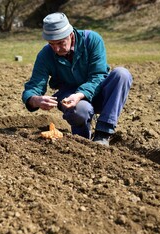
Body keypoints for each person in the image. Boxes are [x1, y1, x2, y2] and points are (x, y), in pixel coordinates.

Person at [21, 12, 132, 146]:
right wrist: (35, 100)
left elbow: (98, 75)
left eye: (61, 43)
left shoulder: (92, 40)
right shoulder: (45, 55)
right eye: (52, 44)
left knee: (122, 74)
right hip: (70, 98)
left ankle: (103, 135)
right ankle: (82, 140)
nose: (56, 48)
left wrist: (80, 94)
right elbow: (34, 86)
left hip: (99, 93)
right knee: (81, 111)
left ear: (71, 34)